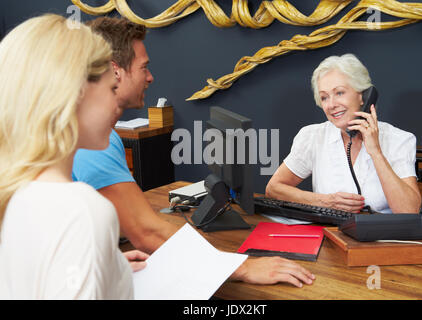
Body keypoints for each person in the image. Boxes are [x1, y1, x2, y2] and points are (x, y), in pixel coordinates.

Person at [73, 17, 316, 288]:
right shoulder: (93, 140)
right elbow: (146, 231)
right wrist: (242, 267)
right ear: (115, 71)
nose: (150, 77)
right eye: (144, 67)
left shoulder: (101, 134)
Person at [0, 14, 149, 299]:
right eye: (111, 88)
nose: (115, 105)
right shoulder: (81, 211)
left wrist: (110, 267)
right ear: (76, 94)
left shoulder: (16, 190)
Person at [266, 54, 421, 214]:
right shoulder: (313, 136)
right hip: (329, 234)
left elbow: (409, 211)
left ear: (364, 96)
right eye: (324, 97)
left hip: (383, 237)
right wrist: (325, 202)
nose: (331, 105)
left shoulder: (399, 140)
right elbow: (274, 188)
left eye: (339, 93)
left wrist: (376, 152)